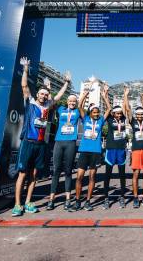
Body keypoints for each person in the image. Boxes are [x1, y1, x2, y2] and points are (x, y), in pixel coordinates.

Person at [12, 56, 67, 216]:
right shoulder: (30, 102)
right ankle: (17, 204)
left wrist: (66, 83)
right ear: (37, 94)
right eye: (41, 93)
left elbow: (56, 97)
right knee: (22, 174)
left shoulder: (48, 105)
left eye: (45, 94)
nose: (43, 96)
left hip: (41, 144)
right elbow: (24, 85)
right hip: (28, 142)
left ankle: (28, 202)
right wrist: (26, 69)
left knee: (34, 175)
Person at [74, 83, 111, 211]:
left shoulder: (101, 120)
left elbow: (109, 109)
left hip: (95, 152)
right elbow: (79, 106)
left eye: (97, 112)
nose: (96, 114)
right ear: (90, 112)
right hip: (84, 151)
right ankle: (78, 201)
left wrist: (103, 96)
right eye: (94, 112)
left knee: (92, 177)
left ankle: (88, 201)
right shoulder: (85, 119)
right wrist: (86, 92)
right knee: (79, 177)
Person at [46, 71, 80, 211]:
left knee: (67, 171)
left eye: (74, 101)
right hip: (59, 142)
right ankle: (51, 199)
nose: (72, 103)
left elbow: (82, 100)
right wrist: (50, 89)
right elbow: (53, 100)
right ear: (67, 102)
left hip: (71, 143)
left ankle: (67, 199)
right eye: (70, 101)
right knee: (56, 171)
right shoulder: (60, 109)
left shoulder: (78, 112)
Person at [124, 86, 143, 208]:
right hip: (136, 151)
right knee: (135, 174)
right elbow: (128, 108)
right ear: (136, 116)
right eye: (138, 115)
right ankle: (135, 198)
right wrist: (126, 95)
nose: (140, 116)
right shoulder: (132, 121)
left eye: (142, 114)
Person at [101, 100, 128, 210]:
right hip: (111, 149)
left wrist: (126, 95)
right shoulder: (110, 119)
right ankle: (106, 198)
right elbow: (109, 107)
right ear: (113, 114)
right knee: (107, 175)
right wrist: (105, 95)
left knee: (122, 175)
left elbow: (126, 107)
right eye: (117, 113)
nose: (119, 115)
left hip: (121, 149)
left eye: (120, 113)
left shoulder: (124, 119)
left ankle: (122, 197)